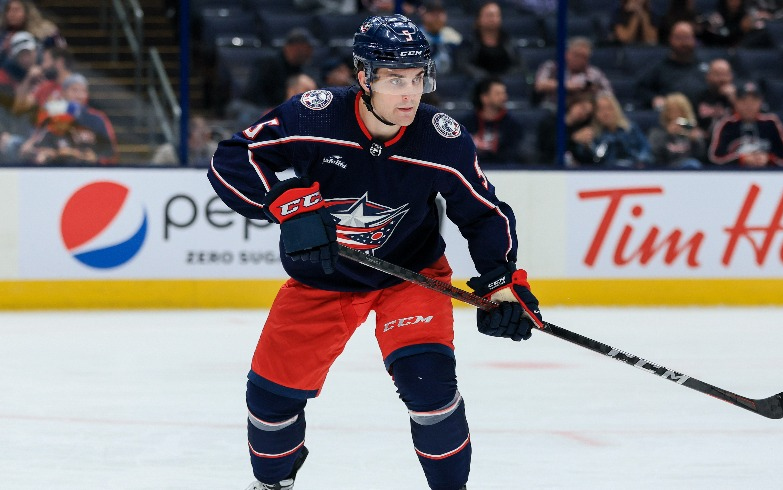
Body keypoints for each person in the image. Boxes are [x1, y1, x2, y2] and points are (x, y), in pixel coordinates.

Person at [208, 14, 542, 490]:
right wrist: (287, 205)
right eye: (394, 80)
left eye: (418, 78)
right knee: (270, 402)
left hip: (411, 276)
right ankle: (273, 484)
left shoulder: (440, 140)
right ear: (363, 77)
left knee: (430, 390)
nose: (410, 95)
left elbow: (484, 213)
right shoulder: (313, 115)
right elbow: (233, 157)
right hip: (322, 279)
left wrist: (503, 284)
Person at [18, 73, 119, 165]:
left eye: (83, 91)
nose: (79, 95)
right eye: (74, 90)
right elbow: (28, 149)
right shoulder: (50, 115)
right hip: (55, 171)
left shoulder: (97, 118)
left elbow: (110, 151)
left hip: (89, 173)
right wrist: (51, 153)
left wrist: (96, 158)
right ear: (63, 93)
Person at [708, 80, 783, 167]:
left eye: (753, 101)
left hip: (767, 175)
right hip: (734, 175)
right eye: (744, 101)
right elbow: (715, 158)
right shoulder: (726, 124)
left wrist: (768, 158)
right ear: (735, 102)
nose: (749, 105)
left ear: (760, 102)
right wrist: (740, 159)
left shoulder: (771, 122)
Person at [635, 21, 707, 109]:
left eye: (687, 38)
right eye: (679, 38)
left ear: (694, 40)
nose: (683, 43)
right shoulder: (658, 68)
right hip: (672, 116)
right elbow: (641, 89)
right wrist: (653, 99)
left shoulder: (705, 67)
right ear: (671, 39)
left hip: (702, 116)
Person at [571, 92, 653, 167]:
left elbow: (646, 150)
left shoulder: (630, 129)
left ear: (616, 109)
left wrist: (639, 162)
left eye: (609, 108)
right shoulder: (592, 134)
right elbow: (590, 160)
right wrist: (586, 146)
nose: (605, 113)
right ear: (595, 113)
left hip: (632, 170)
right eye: (600, 109)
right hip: (604, 173)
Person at [533, 36, 613, 110]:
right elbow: (539, 85)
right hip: (554, 110)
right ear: (567, 54)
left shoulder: (595, 73)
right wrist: (565, 86)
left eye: (584, 57)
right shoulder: (551, 67)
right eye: (577, 55)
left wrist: (592, 91)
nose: (580, 60)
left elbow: (609, 94)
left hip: (584, 112)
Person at [459, 76, 524, 163]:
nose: (503, 97)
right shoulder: (465, 124)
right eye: (498, 94)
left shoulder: (513, 125)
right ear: (484, 98)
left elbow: (514, 154)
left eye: (504, 93)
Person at [456, 1, 522, 78]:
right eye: (490, 15)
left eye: (497, 15)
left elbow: (519, 66)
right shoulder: (469, 42)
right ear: (479, 19)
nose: (493, 19)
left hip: (505, 84)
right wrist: (486, 79)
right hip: (477, 84)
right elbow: (463, 65)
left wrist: (504, 78)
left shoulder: (508, 41)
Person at [647, 92, 706, 168]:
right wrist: (668, 135)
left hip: (691, 170)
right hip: (666, 169)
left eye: (680, 110)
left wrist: (695, 141)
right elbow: (654, 157)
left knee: (692, 163)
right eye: (671, 110)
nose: (675, 114)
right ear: (666, 112)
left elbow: (703, 157)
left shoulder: (692, 129)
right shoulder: (657, 132)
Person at [536, 92, 594, 164]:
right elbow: (548, 145)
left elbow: (586, 158)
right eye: (582, 107)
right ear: (573, 103)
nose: (583, 113)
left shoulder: (580, 129)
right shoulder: (550, 121)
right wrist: (573, 138)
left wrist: (586, 147)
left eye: (587, 114)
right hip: (547, 166)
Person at [150, 115, 220, 167]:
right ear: (190, 134)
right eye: (202, 134)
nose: (206, 137)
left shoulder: (214, 149)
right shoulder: (167, 151)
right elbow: (153, 172)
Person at [694, 58, 735, 140]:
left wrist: (734, 99)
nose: (722, 79)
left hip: (732, 140)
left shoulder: (740, 97)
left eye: (725, 75)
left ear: (731, 76)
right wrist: (693, 130)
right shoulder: (698, 97)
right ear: (708, 76)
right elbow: (689, 119)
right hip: (705, 140)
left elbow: (751, 120)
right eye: (717, 75)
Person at [418, 0, 463, 75]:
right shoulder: (415, 36)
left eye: (440, 13)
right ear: (423, 15)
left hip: (449, 78)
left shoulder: (452, 34)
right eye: (432, 13)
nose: (437, 17)